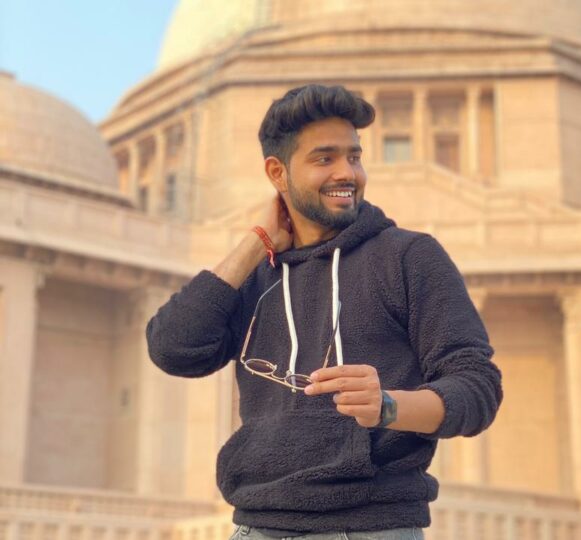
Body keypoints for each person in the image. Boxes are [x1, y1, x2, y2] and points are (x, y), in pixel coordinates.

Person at [146, 84, 502, 540]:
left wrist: (388, 406)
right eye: (324, 159)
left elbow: (477, 386)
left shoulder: (409, 256)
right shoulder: (254, 276)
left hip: (370, 528)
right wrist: (256, 243)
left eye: (354, 156)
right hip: (255, 526)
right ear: (277, 172)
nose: (347, 173)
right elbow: (172, 349)